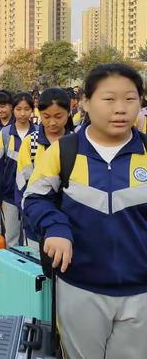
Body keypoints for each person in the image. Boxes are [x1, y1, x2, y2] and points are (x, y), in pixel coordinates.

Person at [23, 64, 147, 358]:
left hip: (141, 291)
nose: (120, 109)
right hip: (79, 285)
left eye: (130, 99)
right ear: (86, 103)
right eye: (108, 99)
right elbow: (34, 199)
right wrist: (55, 228)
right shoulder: (63, 151)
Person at [16, 88, 73, 250]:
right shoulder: (31, 143)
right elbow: (22, 184)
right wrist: (29, 215)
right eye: (46, 117)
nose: (52, 122)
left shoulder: (76, 141)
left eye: (58, 116)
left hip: (68, 222)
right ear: (39, 114)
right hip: (36, 220)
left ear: (68, 113)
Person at [0, 93, 36, 247]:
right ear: (13, 110)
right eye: (19, 109)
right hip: (9, 194)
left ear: (32, 110)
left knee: (33, 240)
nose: (23, 113)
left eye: (27, 109)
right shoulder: (5, 134)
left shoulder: (38, 133)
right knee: (11, 238)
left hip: (33, 195)